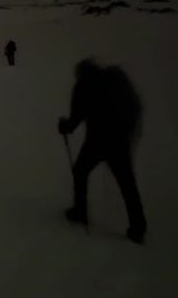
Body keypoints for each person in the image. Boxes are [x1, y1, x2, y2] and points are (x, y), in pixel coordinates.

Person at [58, 58, 147, 244]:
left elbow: (75, 119)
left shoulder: (83, 86)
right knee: (127, 182)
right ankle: (138, 227)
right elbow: (134, 106)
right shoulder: (114, 78)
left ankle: (80, 211)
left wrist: (64, 126)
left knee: (80, 171)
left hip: (97, 141)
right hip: (120, 141)